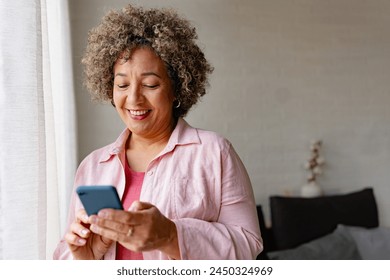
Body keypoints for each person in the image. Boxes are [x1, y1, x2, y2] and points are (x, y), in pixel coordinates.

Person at [53, 4, 262, 260]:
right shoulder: (93, 166)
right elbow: (64, 256)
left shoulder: (214, 153)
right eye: (122, 84)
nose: (134, 98)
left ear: (176, 88)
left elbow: (248, 246)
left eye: (150, 84)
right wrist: (85, 257)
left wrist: (171, 235)